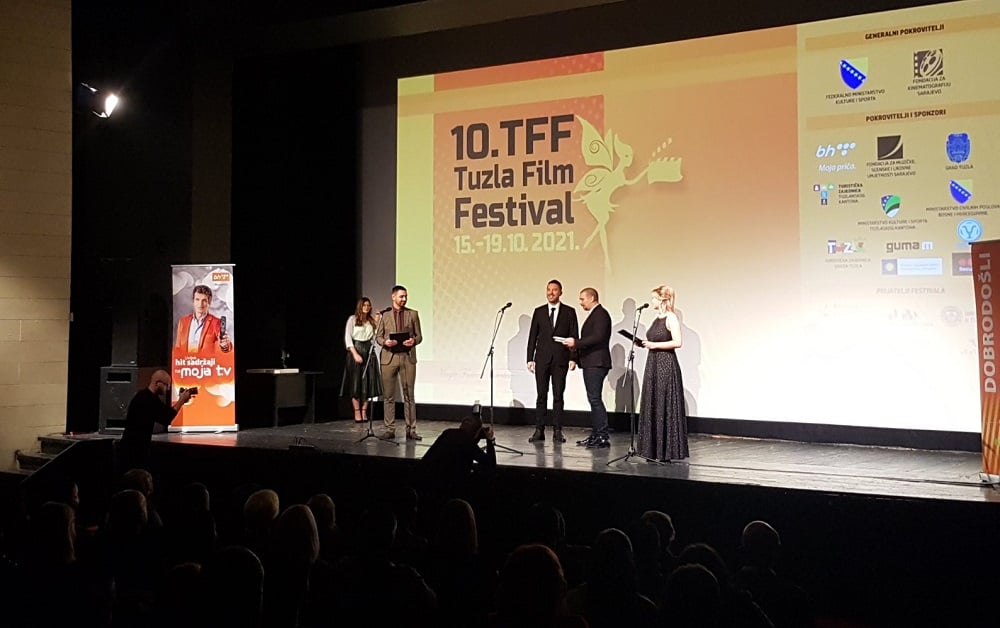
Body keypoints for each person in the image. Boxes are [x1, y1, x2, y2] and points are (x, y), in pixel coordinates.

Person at [638, 285, 688, 462]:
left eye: (654, 298)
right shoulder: (656, 318)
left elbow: (678, 342)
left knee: (663, 403)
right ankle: (652, 450)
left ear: (662, 299)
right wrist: (645, 343)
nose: (651, 301)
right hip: (653, 363)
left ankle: (666, 452)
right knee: (653, 402)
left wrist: (655, 345)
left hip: (665, 364)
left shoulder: (671, 317)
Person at [526, 280, 579, 443]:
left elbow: (574, 335)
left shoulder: (569, 312)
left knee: (558, 396)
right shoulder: (539, 312)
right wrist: (530, 358)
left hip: (560, 360)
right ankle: (539, 430)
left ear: (560, 292)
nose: (551, 293)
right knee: (541, 395)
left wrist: (573, 358)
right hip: (542, 359)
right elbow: (533, 336)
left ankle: (557, 431)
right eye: (548, 289)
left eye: (554, 290)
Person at [563, 287, 612, 448]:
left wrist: (576, 342)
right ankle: (596, 434)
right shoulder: (595, 314)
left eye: (582, 299)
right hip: (591, 362)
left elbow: (598, 337)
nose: (580, 302)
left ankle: (602, 436)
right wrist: (575, 356)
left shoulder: (601, 314)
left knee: (595, 399)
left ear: (591, 298)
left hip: (596, 362)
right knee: (593, 399)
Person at [119, 370, 194, 472]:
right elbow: (167, 417)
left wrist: (181, 401)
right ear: (158, 383)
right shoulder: (147, 399)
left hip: (136, 445)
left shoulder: (146, 396)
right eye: (166, 385)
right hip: (134, 448)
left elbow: (166, 412)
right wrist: (181, 401)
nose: (167, 389)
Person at [376, 284, 423, 440]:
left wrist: (413, 341)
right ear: (393, 297)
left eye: (405, 296)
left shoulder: (413, 314)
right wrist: (385, 342)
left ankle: (411, 429)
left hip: (407, 357)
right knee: (388, 396)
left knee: (409, 395)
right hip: (389, 358)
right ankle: (390, 429)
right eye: (401, 296)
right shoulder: (384, 315)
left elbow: (419, 336)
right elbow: (378, 337)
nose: (404, 299)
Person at [415, 414, 497, 497]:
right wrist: (490, 440)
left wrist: (477, 435)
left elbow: (464, 445)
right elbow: (490, 463)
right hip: (446, 489)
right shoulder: (468, 443)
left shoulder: (448, 433)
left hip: (424, 483)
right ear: (476, 432)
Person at [341, 297, 383, 423]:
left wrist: (377, 321)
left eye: (368, 305)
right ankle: (357, 411)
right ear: (360, 306)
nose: (367, 307)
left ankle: (364, 411)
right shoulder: (352, 320)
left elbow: (374, 336)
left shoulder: (371, 321)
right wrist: (355, 354)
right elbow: (348, 338)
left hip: (368, 351)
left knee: (367, 383)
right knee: (356, 383)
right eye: (364, 305)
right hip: (356, 350)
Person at [173, 285, 231, 355]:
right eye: (197, 299)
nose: (200, 304)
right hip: (185, 361)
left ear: (209, 303)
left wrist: (225, 345)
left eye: (204, 300)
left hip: (205, 361)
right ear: (193, 301)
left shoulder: (216, 322)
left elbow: (226, 348)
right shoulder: (183, 322)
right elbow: (178, 348)